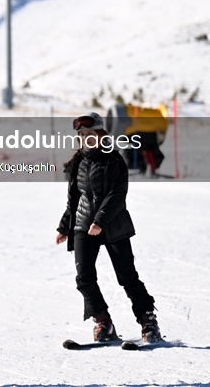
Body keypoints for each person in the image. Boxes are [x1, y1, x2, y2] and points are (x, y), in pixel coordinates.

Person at [56, 113, 162, 344]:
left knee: (127, 276)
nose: (86, 138)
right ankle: (103, 321)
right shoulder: (77, 164)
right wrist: (65, 227)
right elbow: (74, 201)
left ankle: (148, 321)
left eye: (90, 134)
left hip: (113, 224)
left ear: (100, 135)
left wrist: (100, 221)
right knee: (83, 277)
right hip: (84, 225)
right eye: (82, 135)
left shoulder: (114, 160)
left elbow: (117, 195)